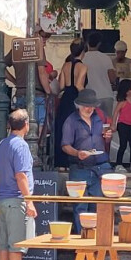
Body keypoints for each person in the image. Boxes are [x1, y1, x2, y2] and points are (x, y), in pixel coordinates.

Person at [0, 108, 39, 260]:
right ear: (26, 125)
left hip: (2, 199)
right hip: (16, 199)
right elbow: (21, 175)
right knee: (16, 245)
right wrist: (29, 202)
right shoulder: (21, 146)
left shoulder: (1, 145)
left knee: (3, 244)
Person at [61, 89, 113, 232]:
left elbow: (103, 140)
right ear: (78, 105)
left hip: (99, 168)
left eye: (91, 106)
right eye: (85, 106)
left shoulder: (98, 119)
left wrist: (108, 137)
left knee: (97, 205)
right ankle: (82, 242)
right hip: (79, 168)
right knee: (80, 207)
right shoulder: (71, 121)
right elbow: (65, 146)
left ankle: (96, 241)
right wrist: (78, 153)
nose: (89, 109)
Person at [54, 39, 88, 170]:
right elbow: (79, 85)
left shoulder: (65, 65)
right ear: (83, 51)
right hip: (76, 99)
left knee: (62, 129)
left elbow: (61, 85)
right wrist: (88, 97)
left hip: (65, 99)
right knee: (77, 130)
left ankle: (61, 162)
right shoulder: (83, 67)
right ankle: (74, 161)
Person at [82, 31, 116, 118]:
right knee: (107, 124)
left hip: (91, 97)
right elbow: (112, 78)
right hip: (107, 96)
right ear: (99, 44)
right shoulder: (106, 58)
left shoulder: (83, 59)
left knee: (92, 124)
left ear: (86, 43)